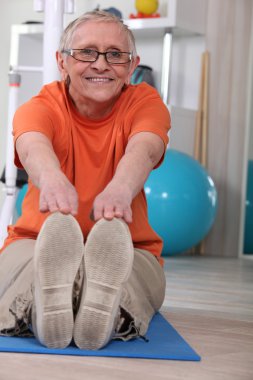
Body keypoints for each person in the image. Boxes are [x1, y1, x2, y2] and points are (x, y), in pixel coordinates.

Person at [0, 10, 170, 350]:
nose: (101, 64)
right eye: (87, 52)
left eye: (115, 55)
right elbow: (32, 145)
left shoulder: (146, 103)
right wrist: (51, 178)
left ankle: (94, 306)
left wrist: (121, 188)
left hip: (130, 248)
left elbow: (145, 148)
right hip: (35, 241)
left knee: (129, 276)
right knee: (27, 269)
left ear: (132, 64)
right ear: (62, 62)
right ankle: (55, 306)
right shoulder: (41, 105)